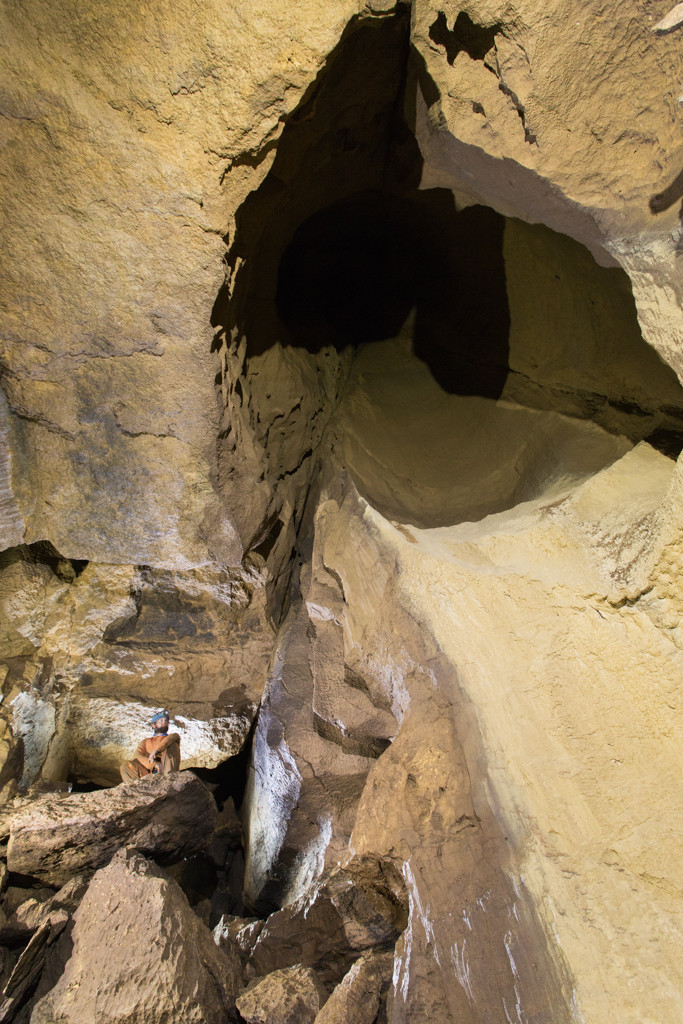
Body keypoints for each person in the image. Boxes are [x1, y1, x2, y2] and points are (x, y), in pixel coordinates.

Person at [120, 709, 181, 782]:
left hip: (165, 771)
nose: (164, 722)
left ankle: (168, 780)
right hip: (149, 774)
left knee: (172, 745)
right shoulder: (146, 741)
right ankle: (133, 786)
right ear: (153, 725)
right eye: (160, 721)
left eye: (166, 720)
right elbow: (136, 757)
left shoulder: (172, 737)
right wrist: (153, 764)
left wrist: (156, 751)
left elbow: (171, 738)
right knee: (125, 766)